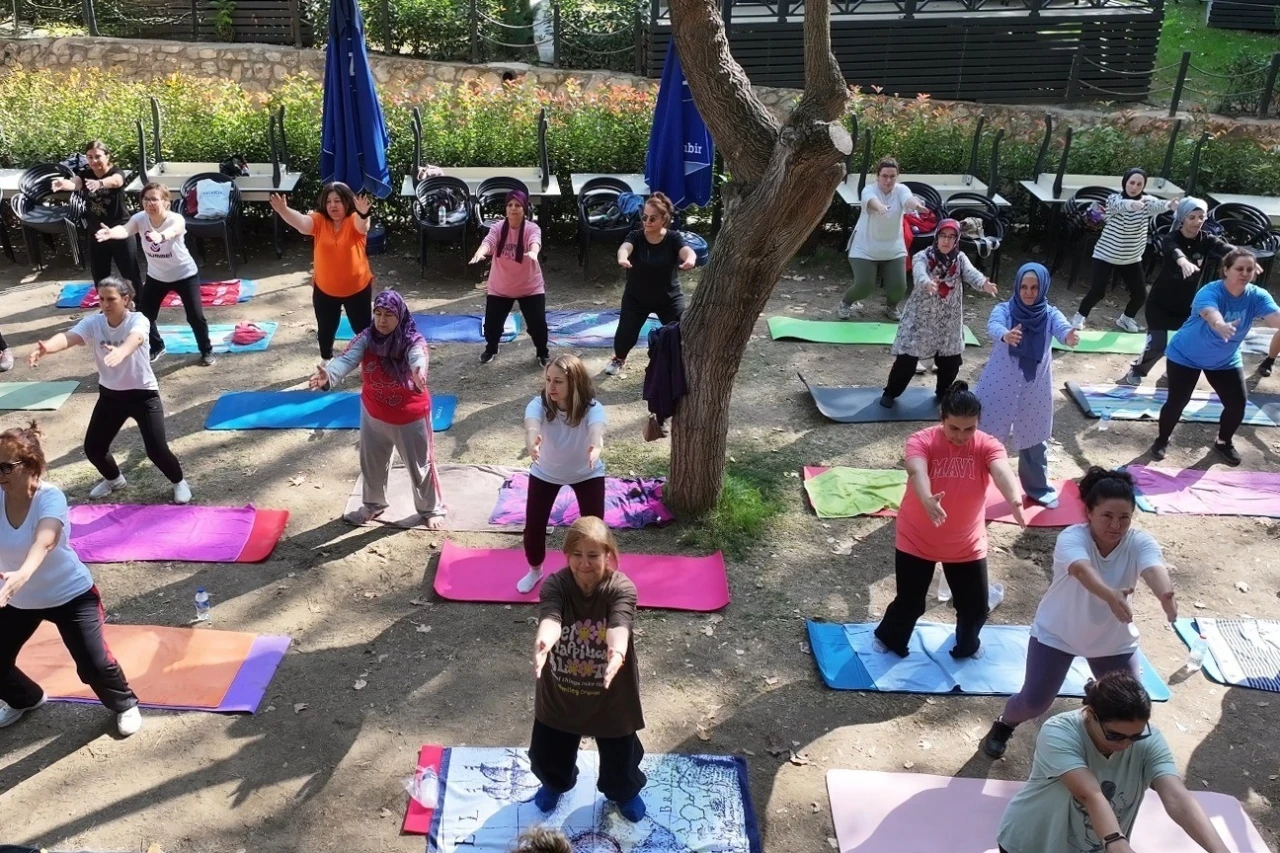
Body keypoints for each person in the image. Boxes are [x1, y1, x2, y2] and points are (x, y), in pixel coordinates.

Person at [981, 467, 1175, 759]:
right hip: (1058, 633)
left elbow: (1153, 568)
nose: (1116, 525)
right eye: (1107, 516)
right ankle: (1004, 724)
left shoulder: (1139, 541)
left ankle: (1104, 744)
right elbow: (1082, 571)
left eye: (1124, 517)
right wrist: (1110, 595)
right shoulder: (1073, 538)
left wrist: (1165, 594)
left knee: (1129, 705)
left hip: (1112, 640)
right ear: (1089, 512)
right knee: (1034, 702)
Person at [0, 421, 142, 736]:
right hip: (16, 598)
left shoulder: (50, 497)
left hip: (70, 595)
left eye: (4, 467)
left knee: (94, 665)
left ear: (29, 466)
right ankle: (26, 698)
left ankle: (125, 704)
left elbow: (46, 539)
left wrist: (23, 572)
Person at [994, 671, 1233, 853]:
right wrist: (1116, 843)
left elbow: (1177, 797)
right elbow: (1090, 794)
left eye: (1136, 735)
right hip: (1031, 844)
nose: (1126, 744)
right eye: (1115, 735)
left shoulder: (1149, 741)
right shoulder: (1059, 732)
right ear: (1090, 713)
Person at [873, 382, 1026, 660]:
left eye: (969, 429)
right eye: (954, 428)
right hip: (917, 538)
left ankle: (967, 647)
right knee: (910, 604)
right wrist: (927, 498)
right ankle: (889, 638)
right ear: (942, 419)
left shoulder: (987, 444)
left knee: (976, 607)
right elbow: (916, 470)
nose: (961, 436)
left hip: (966, 544)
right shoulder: (921, 440)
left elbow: (1001, 470)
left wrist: (1014, 498)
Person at [28, 276, 192, 504]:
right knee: (94, 448)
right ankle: (115, 480)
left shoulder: (138, 320)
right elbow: (70, 337)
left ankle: (179, 482)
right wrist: (47, 347)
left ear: (125, 299)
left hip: (143, 395)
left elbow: (136, 338)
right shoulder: (94, 323)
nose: (105, 304)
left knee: (156, 450)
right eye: (101, 299)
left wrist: (122, 351)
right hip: (111, 396)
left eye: (111, 299)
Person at [529, 516, 646, 822]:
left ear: (608, 554)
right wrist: (544, 642)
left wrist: (617, 651)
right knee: (547, 755)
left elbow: (619, 625)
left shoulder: (621, 587)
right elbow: (551, 617)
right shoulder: (556, 584)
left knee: (621, 762)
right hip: (560, 694)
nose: (584, 564)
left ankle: (624, 792)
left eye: (593, 555)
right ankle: (555, 784)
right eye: (577, 555)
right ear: (567, 554)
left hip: (611, 697)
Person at [310, 290, 445, 529]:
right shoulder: (366, 338)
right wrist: (328, 375)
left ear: (400, 316)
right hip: (374, 413)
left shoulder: (412, 340)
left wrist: (418, 371)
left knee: (420, 467)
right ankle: (373, 505)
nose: (382, 320)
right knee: (372, 465)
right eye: (378, 313)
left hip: (409, 416)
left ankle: (430, 509)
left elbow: (418, 357)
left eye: (389, 315)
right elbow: (346, 359)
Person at [1151, 247, 1280, 467]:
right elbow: (1211, 313)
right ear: (1226, 270)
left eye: (1249, 269)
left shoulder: (1257, 296)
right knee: (1177, 401)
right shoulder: (1210, 291)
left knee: (1237, 404)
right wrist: (1220, 325)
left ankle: (1223, 442)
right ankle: (1162, 439)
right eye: (1239, 268)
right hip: (1185, 355)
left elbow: (1276, 319)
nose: (1245, 273)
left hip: (1224, 359)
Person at [975, 263, 1080, 508]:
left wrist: (1069, 336)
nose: (1029, 292)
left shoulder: (1050, 314)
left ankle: (1037, 488)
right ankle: (973, 484)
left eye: (1034, 287)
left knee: (1034, 439)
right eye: (1024, 286)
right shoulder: (1004, 309)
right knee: (985, 436)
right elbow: (993, 325)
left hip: (1035, 388)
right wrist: (1005, 335)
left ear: (1042, 287)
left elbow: (1062, 327)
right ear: (1017, 286)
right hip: (999, 384)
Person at [879, 219, 998, 408]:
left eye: (951, 237)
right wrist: (927, 283)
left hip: (948, 321)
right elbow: (919, 273)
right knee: (907, 360)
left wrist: (984, 284)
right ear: (937, 237)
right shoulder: (923, 256)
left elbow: (971, 273)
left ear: (957, 239)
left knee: (950, 362)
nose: (946, 241)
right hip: (920, 319)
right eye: (943, 236)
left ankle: (943, 393)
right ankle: (890, 392)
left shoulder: (959, 259)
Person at [96, 181, 215, 367]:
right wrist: (111, 233)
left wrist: (160, 237)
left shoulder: (176, 219)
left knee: (195, 316)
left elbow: (172, 231)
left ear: (166, 202)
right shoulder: (140, 218)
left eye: (154, 199)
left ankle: (206, 350)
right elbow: (126, 229)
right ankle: (157, 346)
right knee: (144, 317)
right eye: (145, 199)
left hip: (185, 275)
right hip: (157, 277)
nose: (149, 203)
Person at [516, 354, 605, 595]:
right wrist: (532, 442)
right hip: (546, 472)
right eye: (548, 380)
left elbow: (597, 431)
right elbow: (531, 425)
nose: (551, 387)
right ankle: (535, 570)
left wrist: (596, 448)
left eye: (558, 381)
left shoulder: (592, 408)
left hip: (587, 472)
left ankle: (594, 573)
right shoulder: (538, 404)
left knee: (594, 529)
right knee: (534, 525)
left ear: (573, 382)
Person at [1120, 198, 1234, 387]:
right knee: (1157, 345)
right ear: (1182, 218)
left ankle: (1171, 373)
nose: (1197, 222)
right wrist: (1182, 261)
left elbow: (1224, 248)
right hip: (1160, 305)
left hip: (1188, 307)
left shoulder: (1207, 239)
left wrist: (1242, 257)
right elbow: (1174, 250)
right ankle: (1138, 370)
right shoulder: (1171, 238)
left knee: (1189, 344)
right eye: (1192, 217)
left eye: (1201, 217)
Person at [270, 183, 374, 364]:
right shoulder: (319, 221)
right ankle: (326, 360)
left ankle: (371, 362)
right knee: (326, 328)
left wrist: (364, 213)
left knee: (363, 329)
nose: (333, 205)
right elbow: (302, 224)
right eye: (329, 201)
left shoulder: (354, 219)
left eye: (338, 201)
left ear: (347, 202)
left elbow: (362, 226)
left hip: (357, 289)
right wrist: (283, 210)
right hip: (325, 290)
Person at [1072, 168, 1177, 333]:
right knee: (1098, 291)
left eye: (1139, 184)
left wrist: (1170, 204)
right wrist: (1132, 204)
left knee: (1140, 295)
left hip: (1131, 258)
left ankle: (1126, 319)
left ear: (1143, 186)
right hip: (1105, 255)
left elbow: (1159, 205)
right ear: (1125, 182)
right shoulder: (1114, 199)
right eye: (1131, 183)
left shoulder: (1147, 202)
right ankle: (1079, 317)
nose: (1134, 187)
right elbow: (1119, 205)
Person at [608, 192, 696, 376]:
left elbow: (687, 250)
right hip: (636, 297)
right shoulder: (636, 236)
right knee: (626, 334)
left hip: (668, 298)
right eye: (644, 217)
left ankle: (681, 365)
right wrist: (623, 258)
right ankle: (619, 358)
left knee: (681, 332)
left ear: (664, 219)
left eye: (652, 218)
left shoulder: (673, 238)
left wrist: (690, 259)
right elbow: (625, 247)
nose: (647, 221)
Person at [837, 157, 926, 321]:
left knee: (899, 288)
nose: (888, 180)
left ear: (897, 177)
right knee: (865, 286)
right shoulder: (868, 190)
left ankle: (891, 307)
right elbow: (871, 201)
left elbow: (908, 199)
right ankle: (846, 303)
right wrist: (880, 207)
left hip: (893, 248)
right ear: (877, 176)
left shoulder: (901, 190)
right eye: (884, 176)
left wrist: (918, 206)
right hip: (864, 247)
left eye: (892, 176)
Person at [51, 140, 143, 294]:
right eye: (89, 157)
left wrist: (100, 183)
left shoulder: (116, 171)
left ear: (107, 156)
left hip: (120, 229)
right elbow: (76, 184)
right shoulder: (86, 173)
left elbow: (116, 181)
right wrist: (63, 184)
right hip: (96, 232)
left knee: (130, 273)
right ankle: (106, 305)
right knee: (99, 274)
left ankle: (140, 305)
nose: (93, 161)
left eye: (97, 156)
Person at [470, 190, 549, 367]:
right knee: (492, 326)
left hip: (530, 287)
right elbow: (489, 242)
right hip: (501, 287)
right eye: (510, 205)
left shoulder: (531, 228)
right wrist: (480, 253)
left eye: (518, 205)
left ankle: (542, 353)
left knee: (538, 325)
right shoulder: (498, 227)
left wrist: (534, 252)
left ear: (524, 209)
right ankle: (491, 348)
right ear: (506, 208)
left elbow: (535, 240)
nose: (513, 209)